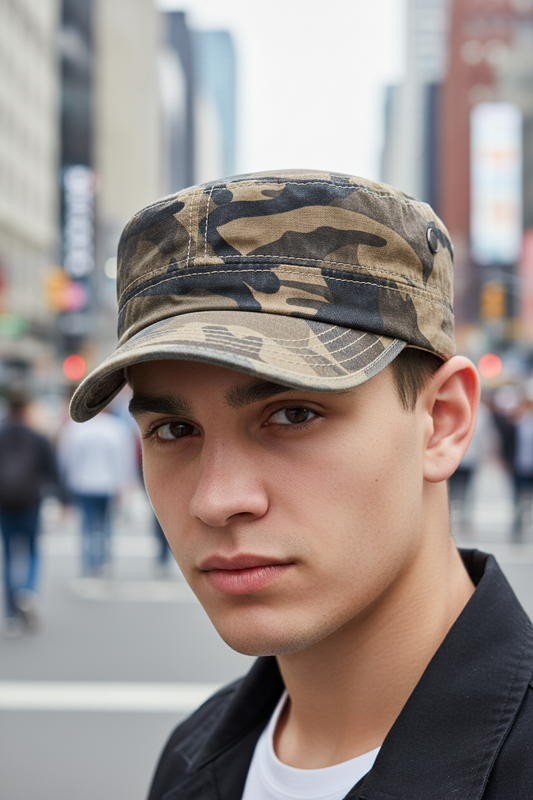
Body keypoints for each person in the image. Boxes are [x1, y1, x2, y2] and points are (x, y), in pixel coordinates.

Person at [69, 170, 533, 798]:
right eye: (175, 429)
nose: (216, 500)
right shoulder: (189, 760)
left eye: (292, 415)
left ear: (442, 422)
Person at [0, 388, 58, 633]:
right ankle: (28, 591)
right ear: (26, 409)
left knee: (10, 555)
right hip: (30, 502)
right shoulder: (37, 437)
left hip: (4, 503)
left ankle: (12, 614)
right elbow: (50, 471)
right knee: (33, 551)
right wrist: (62, 499)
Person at [57, 406, 137, 576]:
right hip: (108, 484)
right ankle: (104, 562)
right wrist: (125, 483)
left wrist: (67, 483)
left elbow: (66, 458)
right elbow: (123, 458)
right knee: (106, 525)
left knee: (87, 526)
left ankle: (88, 564)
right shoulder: (115, 428)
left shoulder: (76, 428)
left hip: (83, 484)